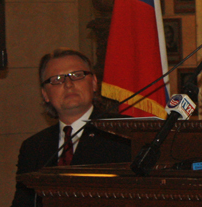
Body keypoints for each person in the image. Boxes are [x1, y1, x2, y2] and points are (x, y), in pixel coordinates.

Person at [12, 48, 131, 207]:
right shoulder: (34, 147)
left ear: (94, 83)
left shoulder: (123, 132)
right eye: (57, 79)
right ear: (45, 94)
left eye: (77, 75)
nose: (68, 84)